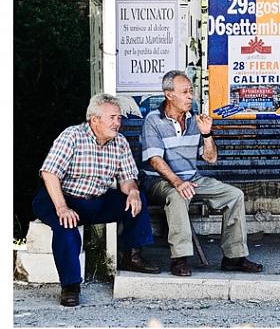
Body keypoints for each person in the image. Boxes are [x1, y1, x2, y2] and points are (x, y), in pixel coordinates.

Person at [32, 93, 159, 307]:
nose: (117, 123)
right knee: (66, 228)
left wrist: (133, 191)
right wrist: (62, 208)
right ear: (95, 120)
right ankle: (70, 286)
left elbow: (127, 178)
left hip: (95, 200)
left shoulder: (119, 142)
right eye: (112, 118)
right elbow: (49, 173)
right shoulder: (72, 136)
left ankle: (133, 256)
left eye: (119, 118)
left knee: (137, 199)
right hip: (61, 198)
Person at [140, 70, 263, 277]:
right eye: (185, 92)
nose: (190, 96)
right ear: (169, 94)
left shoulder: (193, 119)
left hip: (192, 179)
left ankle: (234, 257)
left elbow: (210, 158)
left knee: (234, 195)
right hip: (159, 181)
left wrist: (206, 133)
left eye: (191, 91)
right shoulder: (153, 120)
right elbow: (155, 160)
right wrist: (178, 182)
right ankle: (180, 259)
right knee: (178, 195)